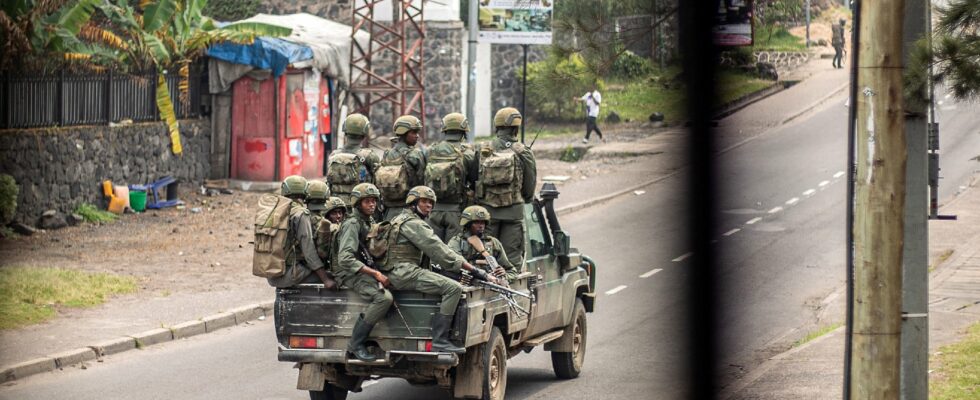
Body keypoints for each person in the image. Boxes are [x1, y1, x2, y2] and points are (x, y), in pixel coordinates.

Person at [380, 186, 500, 353]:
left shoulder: (399, 219)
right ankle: (440, 339)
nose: (428, 206)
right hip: (405, 273)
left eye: (430, 202)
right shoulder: (414, 224)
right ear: (413, 203)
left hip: (398, 270)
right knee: (453, 288)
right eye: (424, 201)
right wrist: (478, 272)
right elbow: (441, 253)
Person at [333, 183, 394, 361]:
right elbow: (345, 259)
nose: (372, 204)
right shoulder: (352, 223)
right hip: (347, 272)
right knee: (384, 298)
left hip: (361, 269)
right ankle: (356, 343)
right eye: (367, 201)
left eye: (374, 201)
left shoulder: (369, 221)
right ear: (358, 203)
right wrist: (375, 274)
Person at [475, 107, 536, 268]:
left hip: (486, 213)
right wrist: (526, 198)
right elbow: (529, 185)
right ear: (516, 128)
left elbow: (474, 177)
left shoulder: (483, 149)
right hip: (513, 213)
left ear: (497, 126)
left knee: (484, 256)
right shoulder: (523, 152)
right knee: (511, 258)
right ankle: (512, 290)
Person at [266, 175, 337, 290]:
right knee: (336, 276)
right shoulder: (301, 214)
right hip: (289, 275)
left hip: (272, 274)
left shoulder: (276, 210)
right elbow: (309, 252)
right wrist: (326, 280)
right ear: (305, 193)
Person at [425, 113, 478, 242]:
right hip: (457, 211)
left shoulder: (430, 151)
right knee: (454, 253)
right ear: (464, 131)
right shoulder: (468, 154)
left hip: (432, 210)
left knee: (434, 252)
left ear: (445, 129)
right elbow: (475, 182)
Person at [448, 205, 517, 282]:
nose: (481, 226)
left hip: (492, 286)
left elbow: (512, 271)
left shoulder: (493, 242)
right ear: (468, 224)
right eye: (476, 222)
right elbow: (455, 266)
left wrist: (503, 275)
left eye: (483, 222)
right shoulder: (456, 242)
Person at [378, 115, 426, 220]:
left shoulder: (387, 154)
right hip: (409, 211)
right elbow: (422, 182)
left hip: (388, 211)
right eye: (413, 133)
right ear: (403, 134)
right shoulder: (415, 154)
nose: (417, 136)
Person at [327, 113, 380, 207]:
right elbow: (379, 181)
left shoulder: (334, 155)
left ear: (345, 131)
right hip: (361, 206)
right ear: (365, 132)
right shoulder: (370, 156)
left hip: (336, 207)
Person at [315, 196, 348, 263]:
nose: (338, 216)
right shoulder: (320, 228)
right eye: (334, 213)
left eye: (340, 212)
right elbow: (322, 253)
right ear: (326, 215)